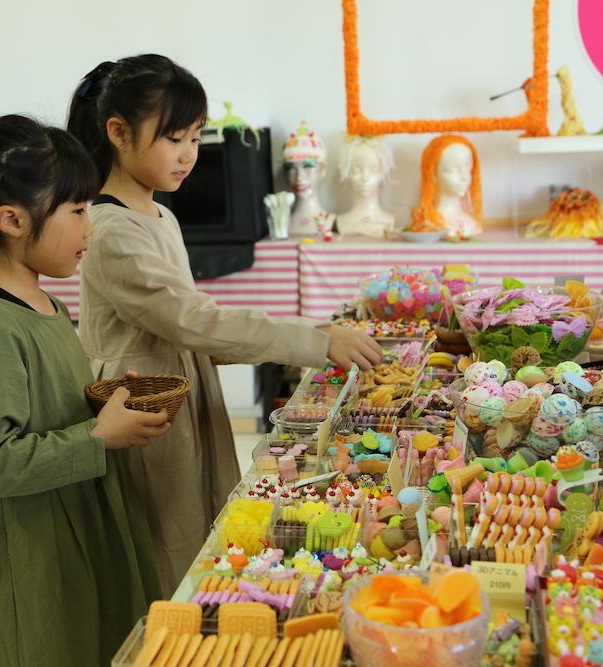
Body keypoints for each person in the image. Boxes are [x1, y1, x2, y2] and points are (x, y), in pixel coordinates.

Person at [67, 54, 383, 593]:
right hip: (145, 405)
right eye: (174, 138)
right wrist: (310, 341)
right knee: (168, 542)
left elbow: (194, 325)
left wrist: (317, 333)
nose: (189, 154)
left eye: (196, 137)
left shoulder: (159, 214)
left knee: (203, 526)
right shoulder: (111, 228)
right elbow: (192, 321)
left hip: (183, 390)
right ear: (118, 133)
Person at [0, 114, 168, 667]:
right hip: (24, 549)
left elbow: (44, 404)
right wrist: (97, 437)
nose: (90, 229)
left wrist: (100, 398)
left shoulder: (46, 304)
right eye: (77, 212)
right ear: (12, 220)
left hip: (62, 523)